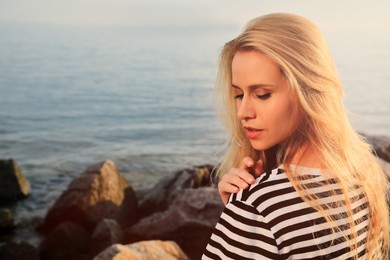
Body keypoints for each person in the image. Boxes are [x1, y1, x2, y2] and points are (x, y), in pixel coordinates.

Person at [203, 13, 389, 259]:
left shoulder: (258, 209)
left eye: (262, 94)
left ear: (307, 90)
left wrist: (245, 216)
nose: (242, 112)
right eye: (239, 95)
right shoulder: (363, 179)